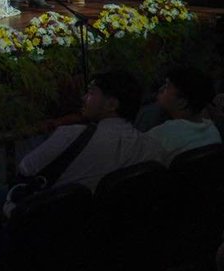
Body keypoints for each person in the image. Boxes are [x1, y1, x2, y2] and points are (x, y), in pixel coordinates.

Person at [17, 70, 161, 192]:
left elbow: (26, 168)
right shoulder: (151, 148)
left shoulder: (70, 135)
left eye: (91, 93)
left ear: (111, 104)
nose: (84, 98)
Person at [146, 68, 222, 163]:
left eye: (167, 87)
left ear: (182, 102)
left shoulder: (162, 134)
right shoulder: (212, 128)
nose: (161, 89)